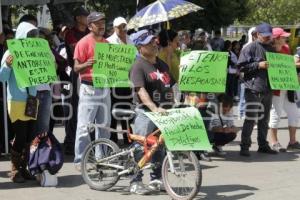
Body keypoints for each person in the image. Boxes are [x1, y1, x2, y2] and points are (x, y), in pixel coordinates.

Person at [129, 29, 176, 194]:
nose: (154, 44)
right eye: (149, 42)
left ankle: (156, 178)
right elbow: (141, 91)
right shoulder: (138, 66)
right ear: (139, 47)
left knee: (159, 145)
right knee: (141, 146)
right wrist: (154, 108)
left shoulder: (162, 64)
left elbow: (170, 85)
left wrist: (175, 103)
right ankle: (135, 180)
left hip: (163, 111)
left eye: (154, 41)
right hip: (145, 111)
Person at [0, 22, 39, 182]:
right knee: (21, 136)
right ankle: (15, 170)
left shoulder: (35, 52)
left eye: (33, 35)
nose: (31, 38)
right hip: (16, 100)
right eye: (29, 35)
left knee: (30, 136)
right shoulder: (10, 52)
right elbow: (2, 78)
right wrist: (7, 65)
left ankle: (24, 168)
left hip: (31, 100)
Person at [73, 12, 111, 170]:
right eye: (97, 23)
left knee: (104, 125)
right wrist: (87, 64)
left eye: (103, 22)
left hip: (105, 86)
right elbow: (76, 68)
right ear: (90, 26)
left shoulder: (107, 43)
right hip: (89, 87)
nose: (101, 25)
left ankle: (102, 158)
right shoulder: (82, 43)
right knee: (85, 126)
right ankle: (80, 160)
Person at [237, 22, 277, 156]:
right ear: (257, 35)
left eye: (269, 36)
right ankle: (245, 146)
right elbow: (241, 67)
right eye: (265, 36)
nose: (267, 38)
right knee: (250, 119)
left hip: (268, 89)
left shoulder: (272, 49)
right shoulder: (249, 48)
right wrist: (258, 65)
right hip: (253, 89)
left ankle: (263, 145)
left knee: (264, 119)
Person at [269, 28, 300, 152]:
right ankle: (274, 141)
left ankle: (292, 141)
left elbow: (290, 63)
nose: (285, 38)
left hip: (289, 86)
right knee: (276, 114)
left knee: (294, 113)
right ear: (276, 39)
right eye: (283, 37)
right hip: (277, 88)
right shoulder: (269, 50)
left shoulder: (286, 48)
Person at [64, 6, 89, 155]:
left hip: (91, 73)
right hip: (76, 74)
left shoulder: (89, 33)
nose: (87, 19)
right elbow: (77, 52)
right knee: (74, 108)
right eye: (85, 16)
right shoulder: (71, 33)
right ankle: (70, 141)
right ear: (78, 18)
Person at [107, 17, 133, 145]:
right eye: (119, 26)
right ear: (114, 28)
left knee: (127, 109)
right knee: (113, 110)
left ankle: (128, 137)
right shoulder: (109, 41)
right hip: (114, 83)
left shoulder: (130, 40)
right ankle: (114, 139)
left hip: (127, 81)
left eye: (124, 26)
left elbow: (134, 57)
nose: (122, 29)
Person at [238, 27, 258, 120]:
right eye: (254, 34)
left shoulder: (259, 46)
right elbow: (242, 64)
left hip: (255, 78)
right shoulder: (246, 46)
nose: (256, 36)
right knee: (243, 95)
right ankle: (241, 113)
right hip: (245, 76)